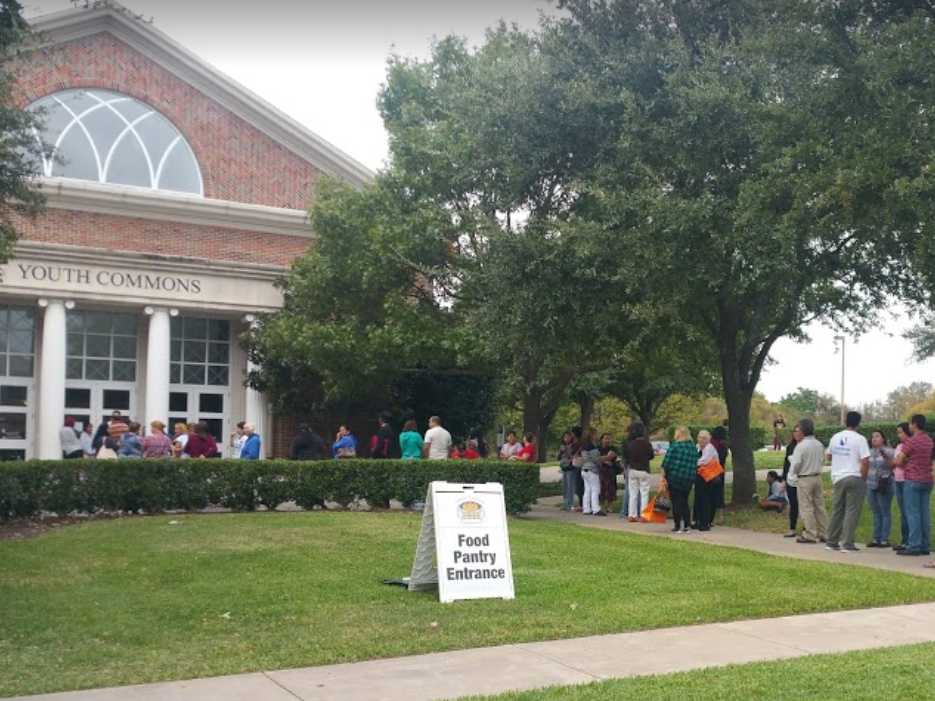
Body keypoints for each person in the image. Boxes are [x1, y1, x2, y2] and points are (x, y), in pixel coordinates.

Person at [825, 411, 871, 553]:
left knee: (837, 510)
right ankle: (847, 543)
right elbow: (865, 461)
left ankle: (832, 542)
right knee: (852, 511)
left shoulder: (835, 437)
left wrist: (841, 460)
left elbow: (828, 456)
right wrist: (863, 478)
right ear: (858, 423)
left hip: (838, 478)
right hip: (854, 476)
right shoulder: (860, 439)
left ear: (845, 421)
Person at [895, 414, 934, 559]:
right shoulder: (929, 440)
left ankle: (914, 546)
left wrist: (904, 460)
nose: (909, 426)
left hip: (912, 480)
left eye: (910, 424)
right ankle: (925, 545)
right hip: (927, 480)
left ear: (915, 424)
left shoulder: (911, 441)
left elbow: (899, 461)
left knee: (912, 514)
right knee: (924, 513)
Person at [788, 418, 828, 544]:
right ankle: (825, 533)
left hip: (805, 478)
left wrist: (794, 473)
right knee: (820, 506)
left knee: (806, 507)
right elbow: (823, 460)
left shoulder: (801, 446)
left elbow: (796, 464)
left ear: (803, 430)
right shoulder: (819, 444)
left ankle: (810, 534)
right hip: (817, 476)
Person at [663, 427, 697, 532]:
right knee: (684, 501)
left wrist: (664, 476)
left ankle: (677, 525)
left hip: (674, 477)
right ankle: (687, 524)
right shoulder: (693, 447)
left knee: (676, 501)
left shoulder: (675, 446)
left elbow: (666, 463)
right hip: (688, 478)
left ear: (678, 434)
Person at [865, 430, 895, 548]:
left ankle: (884, 539)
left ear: (883, 438)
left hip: (884, 485)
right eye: (872, 436)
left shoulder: (890, 451)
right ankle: (876, 538)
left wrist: (885, 456)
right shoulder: (869, 452)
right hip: (870, 484)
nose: (874, 438)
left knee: (885, 512)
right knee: (876, 512)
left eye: (877, 436)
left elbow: (893, 465)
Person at [624, 422, 654, 522]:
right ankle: (643, 515)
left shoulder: (630, 444)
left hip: (632, 470)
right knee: (644, 493)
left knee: (633, 493)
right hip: (644, 469)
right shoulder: (646, 443)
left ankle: (632, 515)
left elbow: (627, 457)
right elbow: (651, 456)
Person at [694, 429, 722, 530]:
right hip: (700, 476)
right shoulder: (697, 447)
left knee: (706, 499)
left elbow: (704, 461)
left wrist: (693, 463)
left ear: (708, 439)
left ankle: (705, 523)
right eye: (700, 438)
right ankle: (698, 520)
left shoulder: (710, 448)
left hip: (710, 477)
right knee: (699, 499)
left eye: (704, 438)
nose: (701, 440)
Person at [781, 424, 803, 537]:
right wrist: (784, 480)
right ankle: (792, 528)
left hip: (803, 480)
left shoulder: (805, 446)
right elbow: (786, 464)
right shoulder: (791, 447)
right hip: (791, 480)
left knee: (805, 506)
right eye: (795, 431)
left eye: (799, 431)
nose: (796, 433)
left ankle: (806, 529)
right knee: (793, 504)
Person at [892, 422, 911, 551]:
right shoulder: (899, 446)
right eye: (898, 432)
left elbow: (902, 462)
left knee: (907, 512)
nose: (899, 435)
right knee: (902, 512)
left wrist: (899, 461)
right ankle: (904, 540)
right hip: (897, 480)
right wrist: (898, 461)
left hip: (907, 480)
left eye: (901, 432)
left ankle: (908, 541)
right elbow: (895, 462)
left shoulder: (910, 445)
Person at [578, 428, 603, 516]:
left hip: (584, 469)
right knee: (595, 489)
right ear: (592, 435)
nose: (597, 436)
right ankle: (596, 509)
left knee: (587, 490)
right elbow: (596, 459)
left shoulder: (583, 446)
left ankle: (586, 508)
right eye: (595, 434)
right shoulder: (592, 446)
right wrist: (603, 460)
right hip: (592, 469)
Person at [709, 425, 729, 523]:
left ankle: (710, 515)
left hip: (711, 471)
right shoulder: (724, 445)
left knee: (710, 493)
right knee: (719, 493)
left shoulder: (712, 444)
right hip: (721, 471)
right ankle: (720, 516)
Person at [597, 433, 620, 514]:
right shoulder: (598, 448)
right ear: (601, 439)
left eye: (609, 438)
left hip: (611, 471)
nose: (607, 440)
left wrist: (603, 459)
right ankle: (602, 506)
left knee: (611, 489)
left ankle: (610, 506)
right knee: (601, 488)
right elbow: (596, 459)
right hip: (601, 471)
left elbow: (613, 457)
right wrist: (606, 459)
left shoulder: (613, 448)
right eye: (606, 438)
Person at [557, 431, 578, 511]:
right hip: (564, 467)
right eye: (565, 437)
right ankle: (565, 503)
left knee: (570, 486)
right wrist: (561, 451)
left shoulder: (574, 446)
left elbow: (573, 456)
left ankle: (570, 503)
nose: (566, 438)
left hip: (571, 468)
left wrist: (566, 450)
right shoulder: (562, 446)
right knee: (565, 486)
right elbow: (558, 457)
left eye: (568, 437)